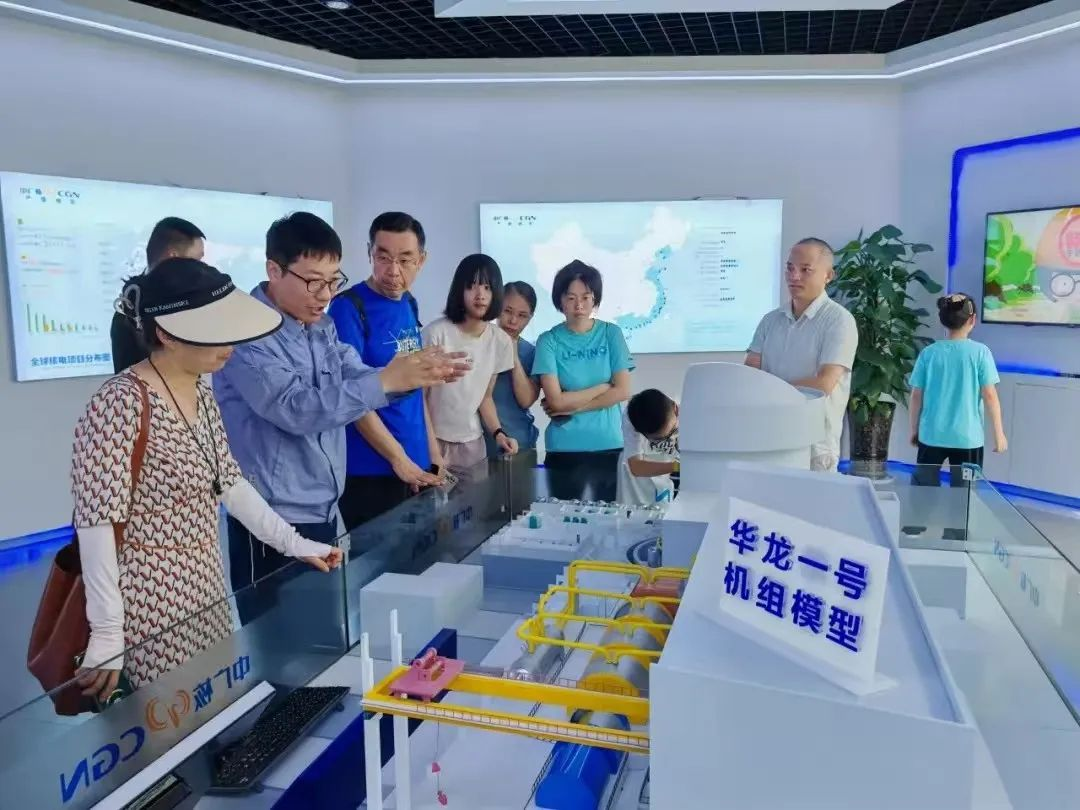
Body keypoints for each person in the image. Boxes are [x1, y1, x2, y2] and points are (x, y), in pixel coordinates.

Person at [73, 258, 344, 702]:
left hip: (204, 587)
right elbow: (97, 521)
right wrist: (106, 630)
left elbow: (229, 482)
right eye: (215, 332)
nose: (230, 345)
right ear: (166, 333)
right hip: (147, 601)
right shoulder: (119, 403)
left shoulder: (200, 387)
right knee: (165, 718)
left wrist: (295, 544)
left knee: (209, 707)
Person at [213, 212, 464, 623]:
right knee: (279, 638)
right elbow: (296, 408)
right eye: (314, 281)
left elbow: (355, 376)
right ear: (274, 270)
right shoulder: (248, 336)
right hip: (273, 519)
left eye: (333, 281)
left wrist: (413, 375)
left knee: (320, 633)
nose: (326, 294)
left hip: (322, 508)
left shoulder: (319, 325)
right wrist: (386, 380)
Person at [329, 212, 441, 532]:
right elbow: (353, 398)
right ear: (369, 253)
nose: (393, 271)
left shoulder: (409, 303)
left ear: (421, 260)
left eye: (405, 260)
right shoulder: (347, 307)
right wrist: (397, 459)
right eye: (383, 257)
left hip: (416, 463)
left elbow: (416, 387)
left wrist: (433, 453)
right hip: (371, 471)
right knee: (379, 562)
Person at [745, 238, 857, 472]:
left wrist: (769, 393)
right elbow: (749, 374)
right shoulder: (770, 321)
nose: (794, 276)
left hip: (813, 445)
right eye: (790, 268)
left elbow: (824, 383)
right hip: (768, 437)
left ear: (828, 275)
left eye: (806, 270)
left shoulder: (839, 321)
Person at [905, 293, 1006, 537]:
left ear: (942, 320)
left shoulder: (929, 353)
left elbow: (916, 395)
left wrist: (914, 430)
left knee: (924, 484)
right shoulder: (980, 353)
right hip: (967, 438)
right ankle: (955, 533)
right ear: (972, 320)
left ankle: (915, 527)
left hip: (932, 434)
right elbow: (990, 395)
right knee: (964, 490)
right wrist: (999, 434)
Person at [534, 260, 634, 502]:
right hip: (564, 447)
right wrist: (603, 387)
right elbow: (555, 401)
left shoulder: (611, 334)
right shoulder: (548, 340)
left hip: (608, 444)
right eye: (571, 298)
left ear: (594, 299)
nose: (578, 305)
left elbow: (623, 391)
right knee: (562, 519)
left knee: (608, 520)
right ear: (560, 300)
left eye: (586, 297)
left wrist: (572, 406)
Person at [423, 254, 518, 480]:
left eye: (487, 287)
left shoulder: (501, 341)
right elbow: (420, 399)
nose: (480, 295)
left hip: (473, 445)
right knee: (433, 503)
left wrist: (499, 433)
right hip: (431, 441)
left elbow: (485, 397)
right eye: (472, 286)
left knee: (474, 502)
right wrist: (433, 452)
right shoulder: (435, 334)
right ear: (460, 290)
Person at [110, 217, 205, 373]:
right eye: (198, 260)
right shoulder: (128, 315)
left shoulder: (196, 302)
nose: (202, 268)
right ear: (173, 258)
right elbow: (127, 382)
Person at [484, 280, 541, 459]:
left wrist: (513, 354)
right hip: (479, 445)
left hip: (520, 443)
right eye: (507, 311)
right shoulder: (480, 342)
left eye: (522, 315)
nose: (513, 321)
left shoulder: (530, 352)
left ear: (530, 318)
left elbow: (526, 400)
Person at [619, 389, 680, 505]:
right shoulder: (633, 417)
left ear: (676, 409)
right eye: (657, 439)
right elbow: (636, 467)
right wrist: (678, 466)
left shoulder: (689, 410)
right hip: (638, 478)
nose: (667, 439)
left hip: (669, 474)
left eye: (673, 431)